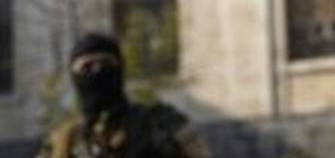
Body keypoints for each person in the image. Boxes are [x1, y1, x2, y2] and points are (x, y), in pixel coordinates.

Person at [38, 32, 210, 158]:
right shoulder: (62, 143)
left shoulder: (161, 125)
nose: (97, 71)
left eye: (105, 63)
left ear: (119, 70)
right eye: (87, 67)